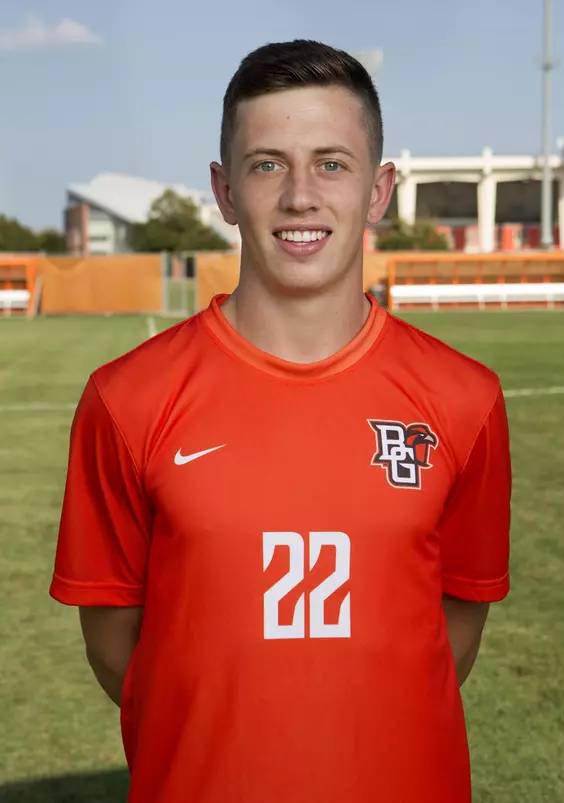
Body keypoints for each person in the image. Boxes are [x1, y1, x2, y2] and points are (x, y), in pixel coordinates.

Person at [50, 39, 512, 803]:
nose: (300, 194)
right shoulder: (126, 397)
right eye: (267, 164)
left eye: (331, 162)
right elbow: (113, 644)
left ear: (378, 190)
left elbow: (454, 628)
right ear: (225, 191)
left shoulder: (464, 398)